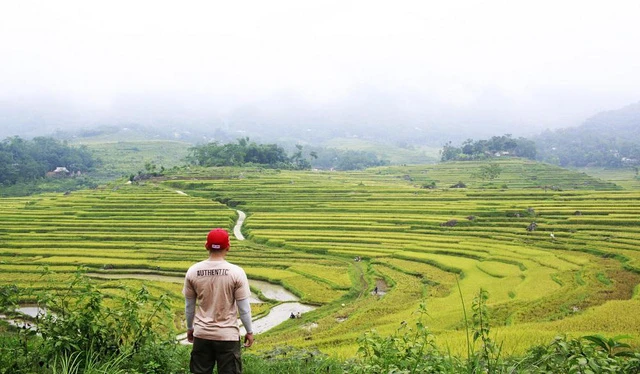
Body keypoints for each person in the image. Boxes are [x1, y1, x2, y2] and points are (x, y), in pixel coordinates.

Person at [183, 228, 254, 374]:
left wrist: (190, 328)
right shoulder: (236, 272)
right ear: (228, 247)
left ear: (206, 246)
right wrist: (249, 331)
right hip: (227, 335)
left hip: (202, 334)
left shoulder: (193, 271)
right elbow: (244, 309)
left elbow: (189, 307)